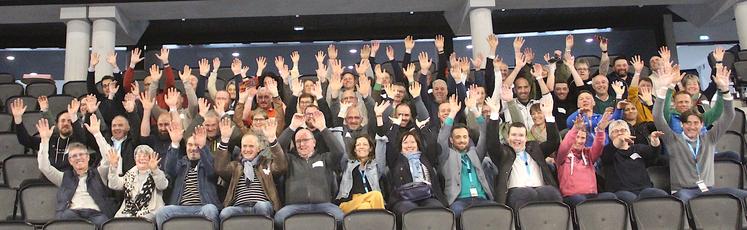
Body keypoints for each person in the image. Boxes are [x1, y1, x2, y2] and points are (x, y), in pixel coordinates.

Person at [653, 66, 747, 202]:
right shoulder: (672, 139)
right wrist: (663, 89)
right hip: (683, 191)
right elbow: (657, 116)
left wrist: (725, 90)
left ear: (702, 125)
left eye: (696, 123)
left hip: (708, 189)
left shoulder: (709, 138)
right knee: (686, 202)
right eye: (688, 123)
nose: (692, 127)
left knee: (741, 195)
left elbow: (729, 115)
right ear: (682, 125)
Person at [36, 118, 115, 228]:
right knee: (63, 220)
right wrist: (44, 141)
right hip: (72, 214)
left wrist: (97, 134)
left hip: (96, 214)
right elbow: (44, 167)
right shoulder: (64, 177)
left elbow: (108, 157)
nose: (78, 158)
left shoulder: (100, 173)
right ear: (70, 161)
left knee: (106, 224)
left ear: (88, 157)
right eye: (74, 156)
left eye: (81, 154)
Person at [487, 99, 562, 210]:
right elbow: (492, 143)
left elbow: (553, 142)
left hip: (542, 189)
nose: (517, 138)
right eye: (514, 135)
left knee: (553, 194)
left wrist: (548, 115)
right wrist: (494, 114)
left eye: (521, 135)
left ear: (526, 138)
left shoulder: (535, 148)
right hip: (517, 192)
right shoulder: (504, 153)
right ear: (508, 138)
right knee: (527, 194)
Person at [275, 111, 345, 228]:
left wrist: (323, 128)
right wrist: (292, 127)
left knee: (340, 217)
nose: (301, 144)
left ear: (314, 142)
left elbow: (339, 151)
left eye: (305, 140)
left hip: (323, 205)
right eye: (298, 141)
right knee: (279, 218)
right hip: (294, 207)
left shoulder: (324, 158)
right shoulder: (289, 159)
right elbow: (275, 151)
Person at [215, 117, 287, 219]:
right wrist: (224, 140)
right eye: (244, 146)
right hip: (239, 206)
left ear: (258, 149)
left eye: (251, 146)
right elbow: (220, 168)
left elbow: (281, 166)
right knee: (225, 213)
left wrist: (272, 140)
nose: (247, 149)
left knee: (262, 206)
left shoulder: (266, 164)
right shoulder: (236, 166)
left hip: (262, 204)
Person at [437, 95, 495, 218]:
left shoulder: (475, 153)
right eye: (458, 137)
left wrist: (474, 110)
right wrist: (452, 113)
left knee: (496, 214)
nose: (462, 140)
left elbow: (484, 134)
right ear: (451, 140)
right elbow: (442, 138)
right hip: (459, 201)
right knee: (458, 214)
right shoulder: (446, 155)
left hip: (481, 198)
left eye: (465, 137)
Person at [156, 125, 221, 229]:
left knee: (211, 210)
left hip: (202, 206)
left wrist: (203, 147)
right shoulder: (181, 163)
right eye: (190, 145)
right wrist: (175, 144)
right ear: (186, 147)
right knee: (162, 212)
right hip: (180, 207)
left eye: (197, 145)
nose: (193, 148)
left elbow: (211, 172)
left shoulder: (207, 162)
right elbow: (169, 170)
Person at [602, 120, 669, 204]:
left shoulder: (638, 149)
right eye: (615, 131)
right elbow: (606, 157)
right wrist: (618, 141)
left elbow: (653, 155)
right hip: (620, 192)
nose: (620, 133)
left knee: (663, 197)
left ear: (629, 133)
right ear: (610, 136)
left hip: (644, 190)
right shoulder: (608, 151)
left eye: (623, 130)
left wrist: (654, 141)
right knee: (635, 201)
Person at [557, 113, 616, 206]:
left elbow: (598, 146)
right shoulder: (562, 155)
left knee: (611, 197)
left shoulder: (588, 154)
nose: (579, 141)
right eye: (577, 137)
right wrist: (575, 129)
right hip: (572, 197)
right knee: (581, 200)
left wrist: (600, 130)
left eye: (583, 138)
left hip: (592, 195)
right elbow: (565, 146)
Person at [12, 98, 87, 170]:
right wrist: (18, 119)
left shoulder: (79, 141)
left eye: (70, 121)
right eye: (63, 121)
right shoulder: (49, 140)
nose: (66, 123)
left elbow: (82, 137)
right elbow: (25, 140)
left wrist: (74, 116)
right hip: (49, 178)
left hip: (72, 179)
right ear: (57, 124)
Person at [106, 145, 168, 220]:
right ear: (135, 159)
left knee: (141, 221)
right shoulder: (130, 174)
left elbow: (162, 186)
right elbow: (113, 185)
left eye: (145, 156)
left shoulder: (157, 173)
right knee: (116, 221)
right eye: (139, 156)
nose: (142, 158)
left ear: (151, 159)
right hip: (127, 212)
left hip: (150, 212)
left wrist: (155, 170)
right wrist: (113, 167)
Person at [336, 135, 387, 214]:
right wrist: (337, 130)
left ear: (370, 149)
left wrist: (380, 136)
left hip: (370, 202)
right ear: (355, 150)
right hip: (348, 203)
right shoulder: (347, 165)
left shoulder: (375, 166)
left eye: (365, 144)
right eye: (358, 145)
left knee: (365, 206)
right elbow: (339, 149)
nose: (361, 147)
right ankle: (384, 223)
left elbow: (381, 153)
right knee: (376, 194)